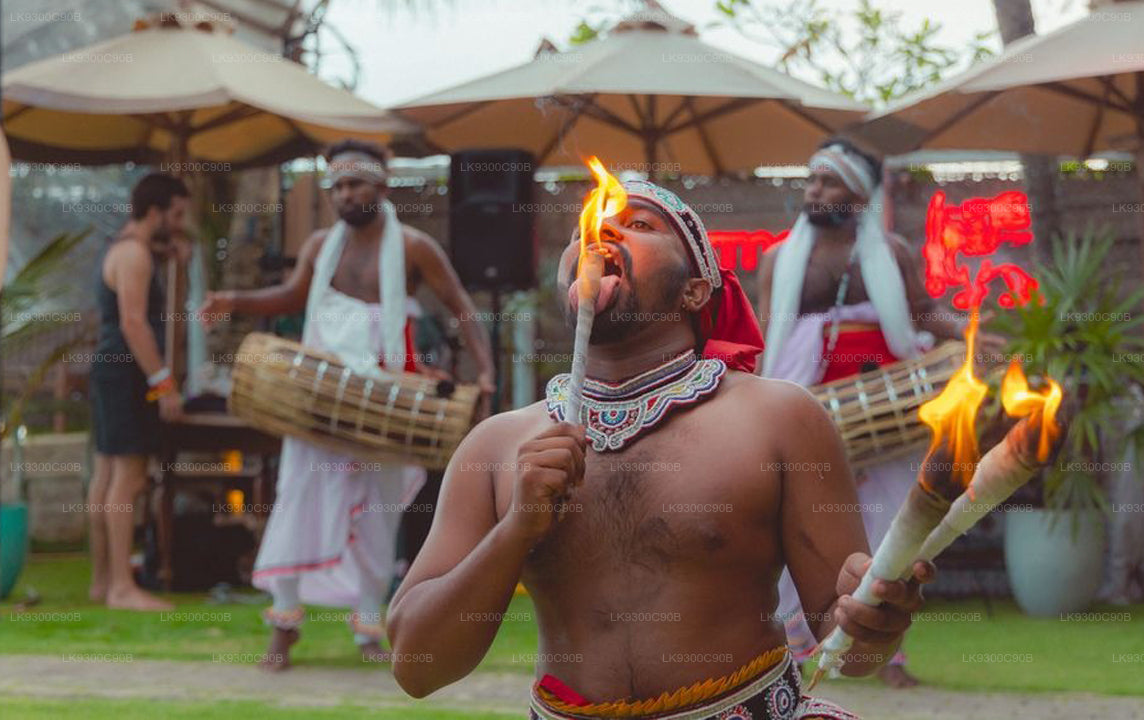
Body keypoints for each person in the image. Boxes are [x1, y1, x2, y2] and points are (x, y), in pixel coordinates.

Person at [387, 180, 935, 719]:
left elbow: (852, 648)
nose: (601, 234)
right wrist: (516, 530)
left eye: (639, 224)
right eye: (587, 230)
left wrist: (877, 618)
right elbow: (417, 666)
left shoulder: (778, 417)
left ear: (694, 289)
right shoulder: (496, 444)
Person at [200, 139, 496, 670]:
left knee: (378, 517)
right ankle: (284, 626)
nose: (343, 194)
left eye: (354, 183)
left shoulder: (413, 246)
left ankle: (368, 629)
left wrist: (487, 372)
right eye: (335, 185)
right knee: (297, 500)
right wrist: (236, 300)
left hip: (382, 399)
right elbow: (291, 297)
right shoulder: (319, 245)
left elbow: (462, 308)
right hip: (318, 396)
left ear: (381, 187)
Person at [757, 138, 968, 688]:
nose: (814, 191)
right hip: (807, 407)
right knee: (796, 525)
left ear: (859, 193)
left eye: (828, 182)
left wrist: (972, 337)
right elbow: (761, 337)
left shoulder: (891, 252)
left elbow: (922, 310)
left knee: (892, 526)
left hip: (886, 406)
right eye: (811, 180)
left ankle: (883, 651)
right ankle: (797, 648)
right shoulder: (778, 260)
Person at [87, 172, 190, 611]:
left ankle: (102, 583)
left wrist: (170, 254)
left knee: (107, 476)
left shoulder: (124, 248)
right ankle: (122, 589)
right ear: (157, 211)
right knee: (127, 479)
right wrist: (164, 383)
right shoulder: (134, 256)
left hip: (109, 372)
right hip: (128, 374)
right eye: (178, 214)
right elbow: (134, 322)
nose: (181, 223)